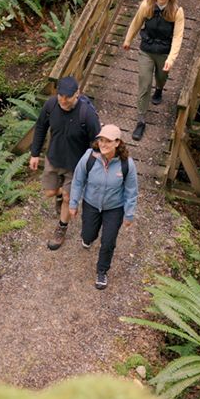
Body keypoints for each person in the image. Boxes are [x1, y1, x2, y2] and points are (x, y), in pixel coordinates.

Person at [29, 75, 100, 250]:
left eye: (67, 97)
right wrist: (35, 153)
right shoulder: (51, 105)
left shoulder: (87, 114)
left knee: (69, 197)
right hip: (54, 158)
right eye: (60, 96)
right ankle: (60, 194)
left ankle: (61, 228)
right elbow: (40, 127)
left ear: (77, 93)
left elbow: (97, 143)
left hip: (76, 165)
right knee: (49, 192)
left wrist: (93, 167)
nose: (63, 100)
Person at [69, 124, 138, 290]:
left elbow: (131, 190)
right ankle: (88, 239)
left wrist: (129, 214)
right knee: (88, 234)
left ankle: (102, 271)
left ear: (117, 143)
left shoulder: (126, 164)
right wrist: (73, 203)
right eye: (101, 140)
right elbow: (78, 181)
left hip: (114, 208)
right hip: (91, 204)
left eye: (108, 141)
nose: (103, 144)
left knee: (108, 241)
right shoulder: (89, 158)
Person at [121, 0, 185, 141]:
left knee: (161, 77)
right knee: (144, 82)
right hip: (147, 50)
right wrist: (128, 40)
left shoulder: (177, 12)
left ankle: (159, 89)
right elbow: (136, 23)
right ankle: (141, 120)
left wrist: (171, 59)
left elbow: (178, 37)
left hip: (164, 52)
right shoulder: (147, 5)